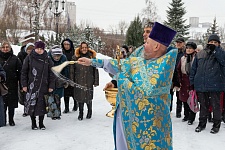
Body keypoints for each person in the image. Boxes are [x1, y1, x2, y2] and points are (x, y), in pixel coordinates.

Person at [77, 22, 177, 150]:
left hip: (150, 125)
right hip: (128, 117)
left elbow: (145, 92)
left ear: (156, 46)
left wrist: (122, 80)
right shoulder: (142, 57)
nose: (144, 44)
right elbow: (123, 65)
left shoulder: (163, 66)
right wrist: (92, 61)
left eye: (147, 43)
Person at [190, 34, 225, 134]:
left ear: (218, 44)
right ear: (208, 42)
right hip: (201, 85)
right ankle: (201, 124)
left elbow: (223, 61)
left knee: (216, 106)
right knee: (203, 106)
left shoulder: (221, 53)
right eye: (211, 42)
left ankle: (216, 125)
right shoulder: (200, 53)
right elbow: (194, 69)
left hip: (215, 85)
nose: (212, 44)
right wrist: (192, 82)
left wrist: (216, 50)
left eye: (215, 42)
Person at [104, 21, 155, 89]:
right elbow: (126, 68)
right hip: (138, 94)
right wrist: (114, 82)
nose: (144, 34)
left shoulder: (164, 52)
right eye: (144, 31)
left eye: (148, 32)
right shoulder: (138, 52)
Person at [21, 41, 55, 130]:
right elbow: (24, 72)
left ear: (44, 49)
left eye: (41, 49)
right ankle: (33, 123)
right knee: (32, 104)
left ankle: (41, 123)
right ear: (34, 48)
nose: (39, 50)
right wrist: (24, 85)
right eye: (37, 49)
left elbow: (52, 73)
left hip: (44, 86)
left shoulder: (47, 59)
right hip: (32, 86)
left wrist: (51, 85)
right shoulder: (29, 58)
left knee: (42, 105)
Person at [71, 42, 99, 120]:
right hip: (78, 80)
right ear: (80, 48)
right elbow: (72, 70)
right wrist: (72, 81)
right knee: (80, 97)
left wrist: (96, 81)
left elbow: (95, 70)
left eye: (85, 47)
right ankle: (81, 113)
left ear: (87, 48)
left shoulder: (92, 58)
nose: (84, 49)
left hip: (89, 80)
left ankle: (89, 111)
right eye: (82, 47)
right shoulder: (75, 58)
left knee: (89, 97)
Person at [0, 41, 22, 126]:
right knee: (2, 104)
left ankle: (11, 119)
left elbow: (20, 72)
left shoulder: (15, 59)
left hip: (12, 84)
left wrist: (21, 85)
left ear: (10, 48)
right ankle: (3, 119)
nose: (5, 49)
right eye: (3, 47)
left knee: (11, 104)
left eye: (7, 47)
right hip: (1, 85)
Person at [177, 42, 197, 125]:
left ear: (194, 49)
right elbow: (178, 69)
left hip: (193, 79)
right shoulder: (183, 58)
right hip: (184, 80)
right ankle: (186, 115)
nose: (188, 50)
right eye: (187, 48)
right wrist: (179, 79)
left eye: (190, 48)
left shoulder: (197, 57)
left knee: (192, 99)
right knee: (184, 99)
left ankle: (191, 117)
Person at [48, 45, 69, 120]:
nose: (57, 58)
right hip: (50, 81)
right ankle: (52, 113)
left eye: (58, 56)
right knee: (51, 97)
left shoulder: (63, 58)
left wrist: (66, 80)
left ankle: (58, 113)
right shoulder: (48, 58)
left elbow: (66, 70)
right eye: (55, 56)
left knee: (58, 98)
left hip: (60, 80)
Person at [17, 42, 35, 117]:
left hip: (34, 77)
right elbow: (20, 69)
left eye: (32, 49)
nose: (30, 50)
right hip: (25, 78)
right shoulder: (21, 56)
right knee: (25, 95)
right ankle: (26, 109)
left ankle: (33, 109)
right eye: (29, 49)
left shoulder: (37, 56)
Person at [61, 38, 78, 113]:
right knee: (65, 92)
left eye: (68, 44)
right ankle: (66, 107)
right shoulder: (61, 53)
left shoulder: (75, 53)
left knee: (74, 91)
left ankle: (75, 104)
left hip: (73, 74)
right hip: (65, 74)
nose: (66, 46)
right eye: (65, 44)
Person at [171, 37, 185, 116]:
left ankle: (178, 111)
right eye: (177, 42)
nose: (178, 44)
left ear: (183, 43)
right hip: (171, 75)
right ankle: (169, 109)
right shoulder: (173, 52)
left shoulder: (184, 53)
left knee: (179, 95)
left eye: (180, 42)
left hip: (180, 76)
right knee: (170, 94)